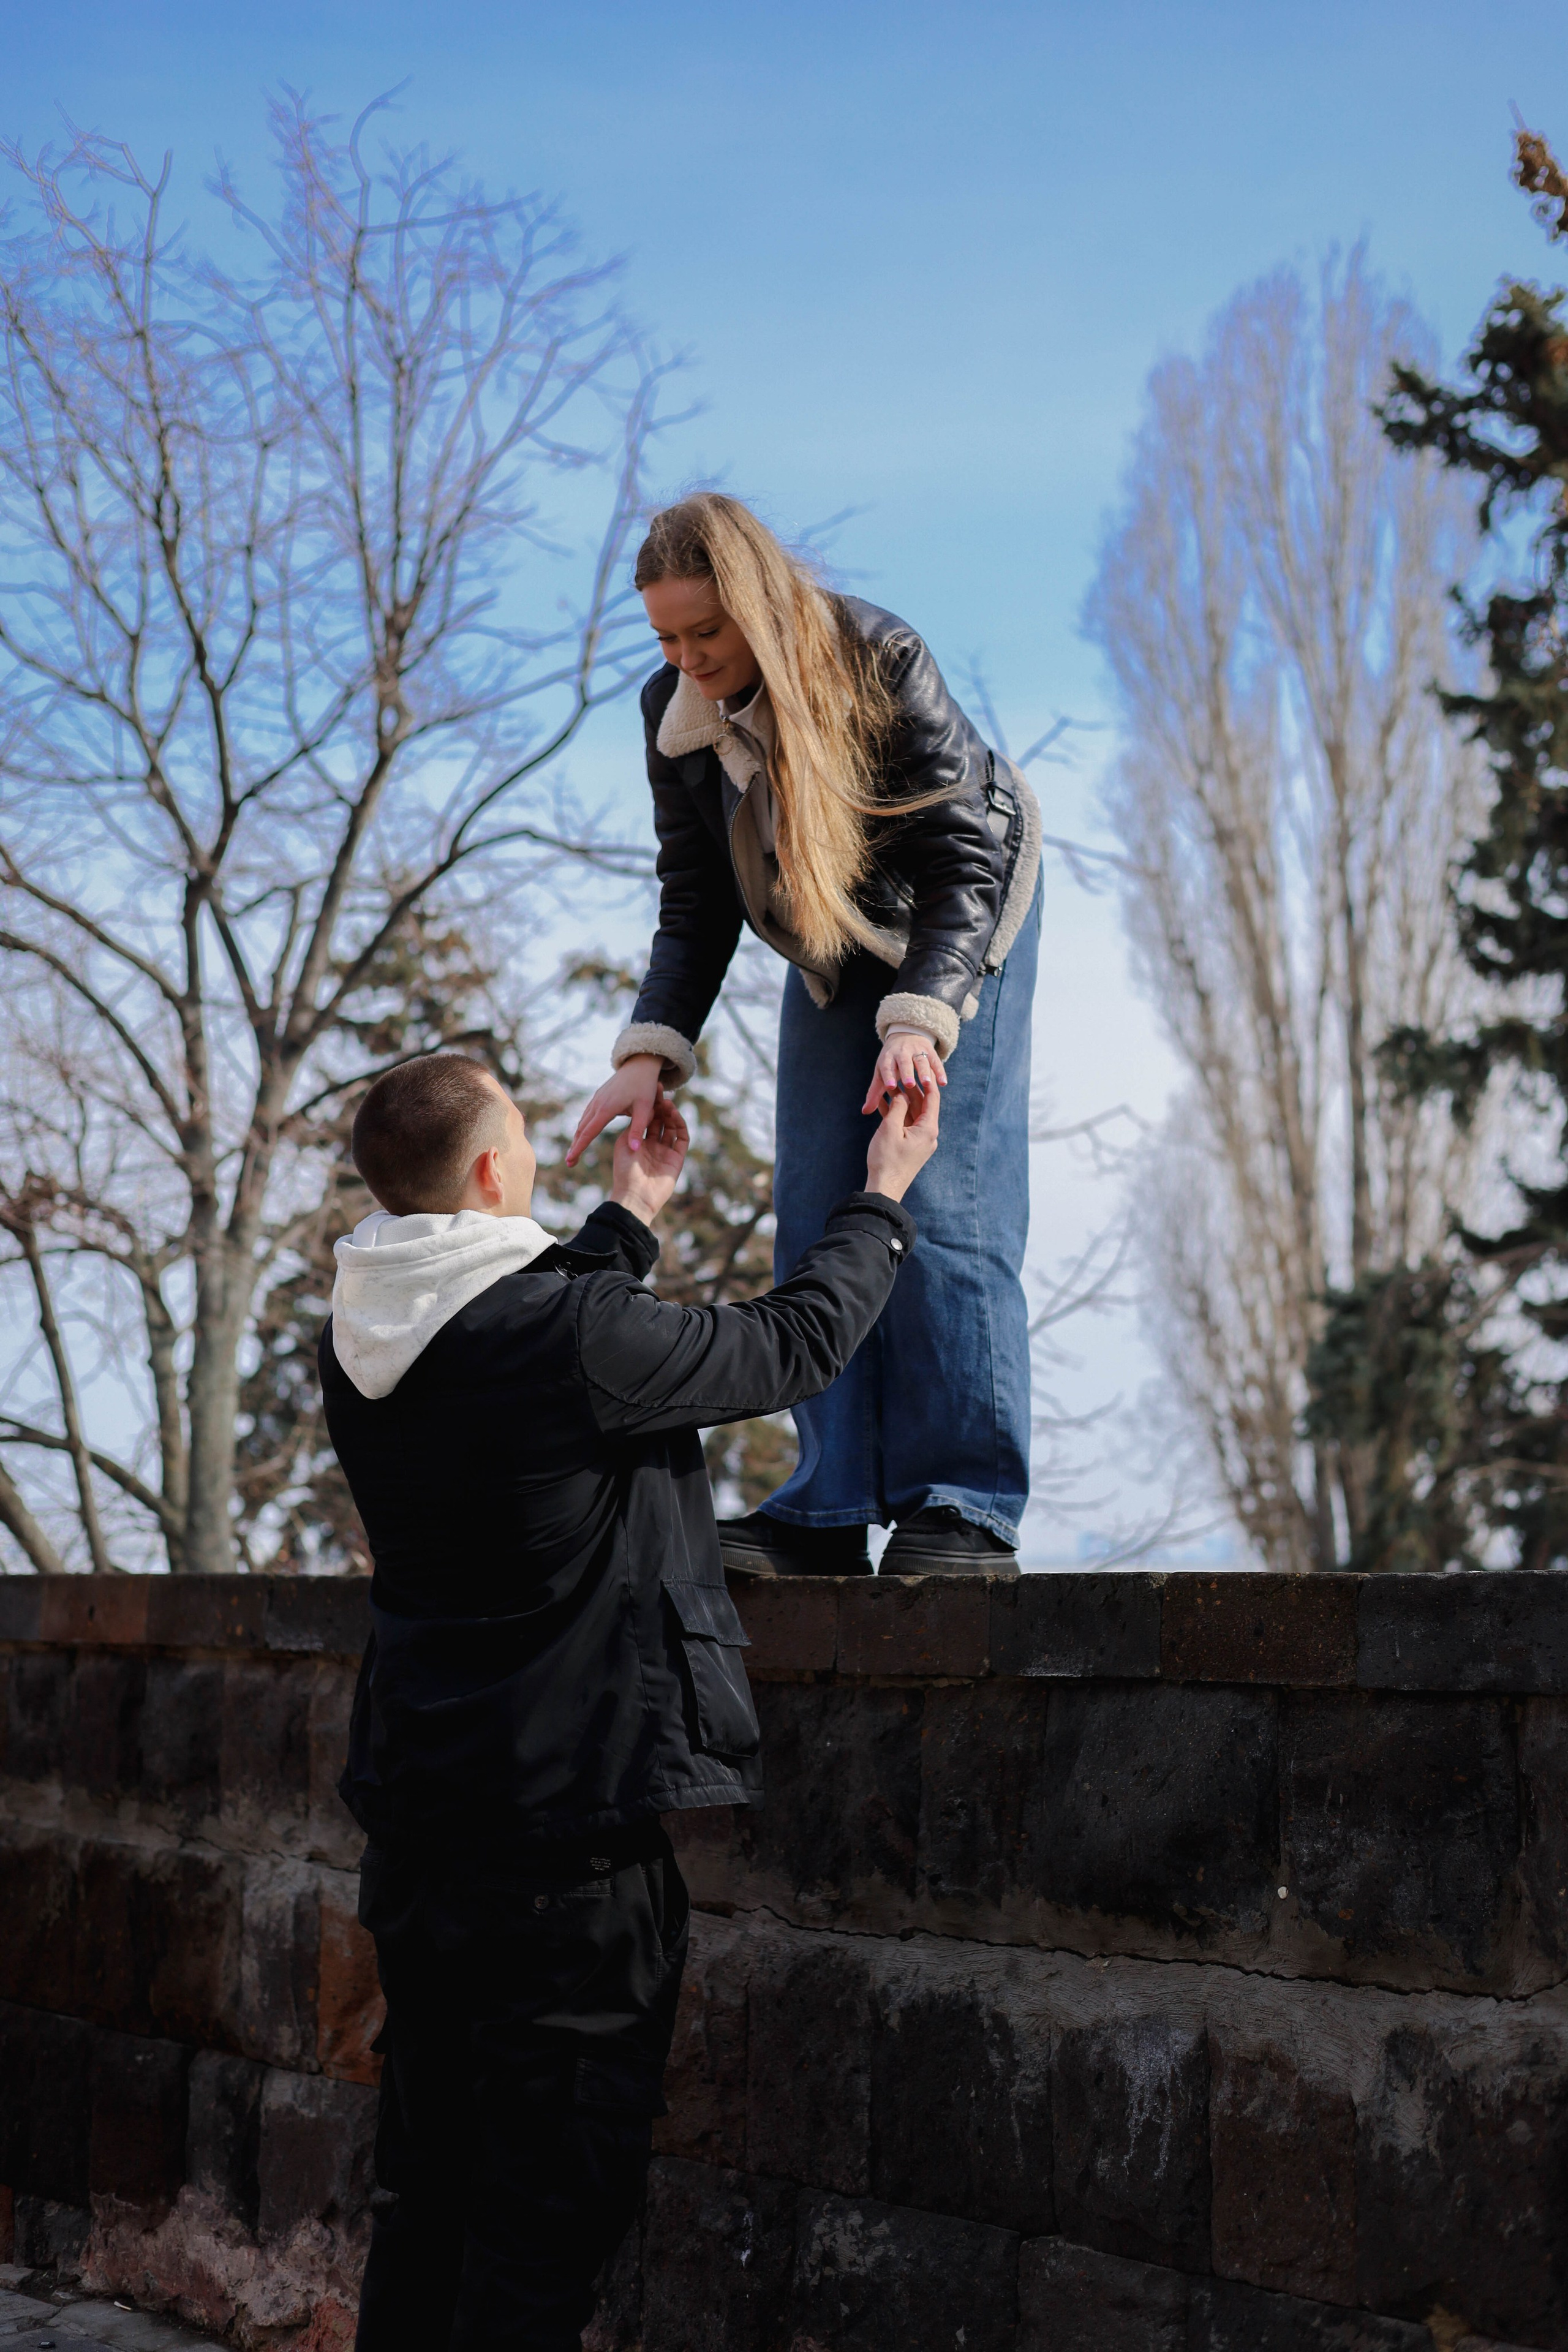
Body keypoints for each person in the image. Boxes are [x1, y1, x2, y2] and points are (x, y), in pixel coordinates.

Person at [318, 1048, 936, 2352]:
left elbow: (530, 1349)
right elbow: (789, 1344)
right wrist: (880, 1195)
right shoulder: (565, 1334)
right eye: (525, 1133)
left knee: (425, 2192)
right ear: (494, 1168)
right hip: (565, 1856)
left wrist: (626, 1222)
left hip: (426, 1837)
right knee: (543, 2216)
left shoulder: (362, 1328)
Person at [568, 492, 1041, 1578]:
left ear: (758, 607)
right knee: (822, 1191)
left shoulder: (878, 659)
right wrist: (650, 1053)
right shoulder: (674, 718)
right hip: (829, 928)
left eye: (706, 633)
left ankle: (963, 1504)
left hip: (962, 912)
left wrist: (920, 1020)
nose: (685, 659)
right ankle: (826, 1508)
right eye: (665, 638)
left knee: (942, 1196)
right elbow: (697, 901)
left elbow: (960, 865)